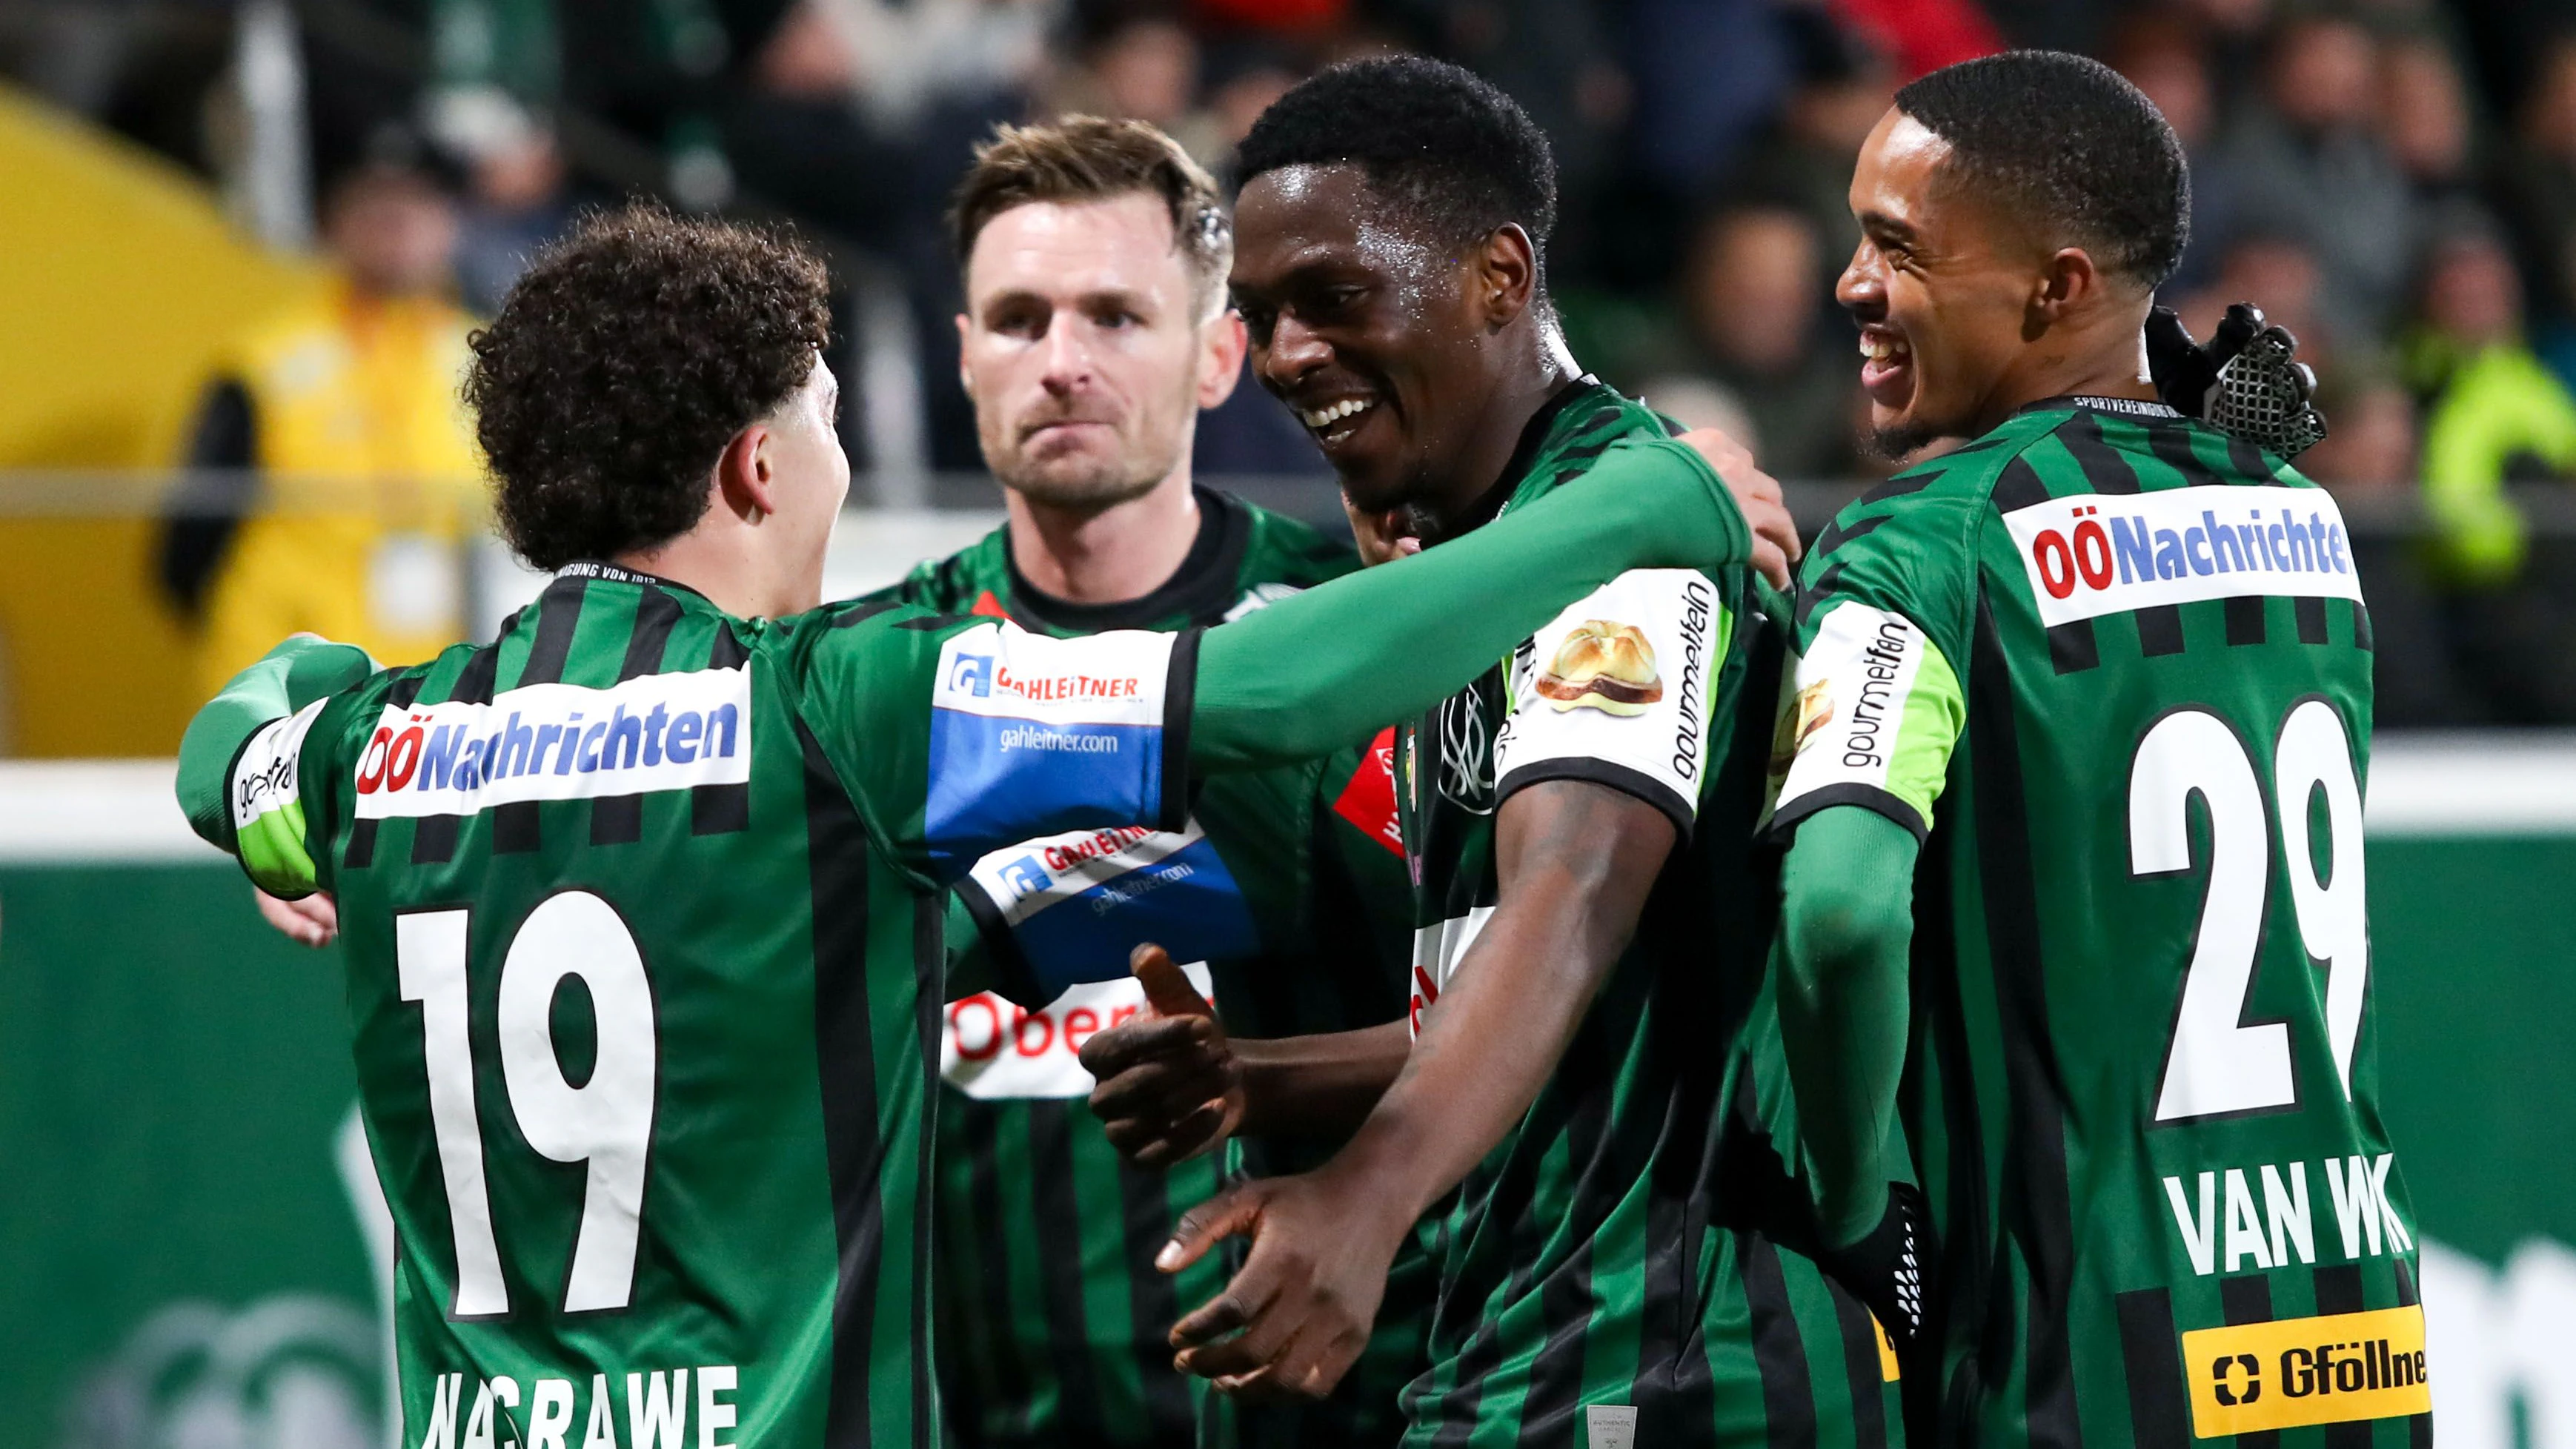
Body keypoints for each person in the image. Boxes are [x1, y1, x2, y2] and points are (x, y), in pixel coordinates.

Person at [172, 203, 1792, 1449]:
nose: (841, 465)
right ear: (752, 465)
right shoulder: (828, 708)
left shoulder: (371, 743)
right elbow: (1267, 693)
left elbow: (230, 734)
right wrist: (1652, 504)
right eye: (821, 426)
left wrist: (273, 824)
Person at [1080, 57, 1895, 1445]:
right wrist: (1266, 1079)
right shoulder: (1474, 563)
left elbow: (1570, 903)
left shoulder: (1626, 534)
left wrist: (1364, 1195)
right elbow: (1556, 991)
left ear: (1499, 277)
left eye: (1335, 300)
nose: (1284, 357)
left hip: (1665, 1354)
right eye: (1262, 317)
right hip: (1537, 1334)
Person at [1765, 51, 2423, 1445]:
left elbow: (1834, 911)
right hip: (2354, 1340)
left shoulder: (1919, 540)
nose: (1851, 286)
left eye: (1896, 247)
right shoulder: (2304, 516)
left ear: (2056, 287)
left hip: (2077, 1364)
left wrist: (1848, 1207)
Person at [878, 116, 1426, 1449]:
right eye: (1017, 319)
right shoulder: (873, 682)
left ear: (1218, 353)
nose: (1061, 362)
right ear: (963, 359)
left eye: (1116, 316)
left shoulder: (1369, 635)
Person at [155, 149, 482, 700]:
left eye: (418, 202)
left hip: (444, 699)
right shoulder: (263, 367)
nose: (397, 220)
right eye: (375, 204)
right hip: (287, 701)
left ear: (452, 224)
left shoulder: (495, 365)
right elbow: (184, 556)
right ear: (334, 222)